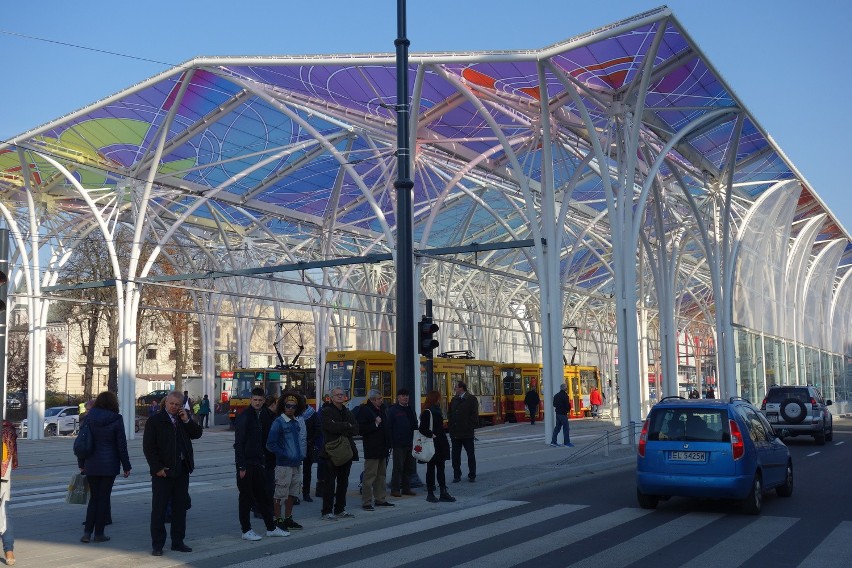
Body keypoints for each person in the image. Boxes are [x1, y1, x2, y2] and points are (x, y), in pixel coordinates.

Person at [143, 390, 203, 556]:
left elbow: (197, 434)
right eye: (172, 404)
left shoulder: (183, 420)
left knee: (180, 508)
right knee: (159, 509)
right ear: (166, 402)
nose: (174, 407)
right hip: (163, 472)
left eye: (177, 405)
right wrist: (157, 468)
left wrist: (187, 420)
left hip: (182, 470)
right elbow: (149, 447)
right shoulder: (155, 421)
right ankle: (158, 544)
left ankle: (178, 541)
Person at [234, 388, 290, 541]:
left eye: (260, 400)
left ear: (264, 400)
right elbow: (238, 443)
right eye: (255, 400)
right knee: (246, 497)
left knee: (263, 496)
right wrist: (241, 466)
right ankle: (246, 530)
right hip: (247, 463)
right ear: (250, 400)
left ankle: (271, 527)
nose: (257, 403)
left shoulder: (264, 415)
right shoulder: (245, 416)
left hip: (259, 462)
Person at [77, 391, 132, 544]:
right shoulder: (116, 418)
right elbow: (121, 444)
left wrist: (81, 464)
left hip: (91, 463)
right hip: (109, 464)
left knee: (94, 498)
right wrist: (126, 465)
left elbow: (83, 442)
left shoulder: (89, 418)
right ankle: (99, 533)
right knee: (103, 498)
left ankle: (87, 532)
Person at [266, 392, 306, 531]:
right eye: (288, 405)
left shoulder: (295, 421)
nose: (290, 408)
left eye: (293, 406)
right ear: (283, 406)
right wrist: (285, 454)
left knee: (293, 492)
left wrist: (300, 455)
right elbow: (270, 444)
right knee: (280, 492)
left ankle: (288, 518)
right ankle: (278, 519)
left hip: (296, 463)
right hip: (284, 464)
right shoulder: (278, 422)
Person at [319, 387, 358, 521]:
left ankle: (340, 509)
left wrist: (342, 426)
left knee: (343, 482)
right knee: (330, 482)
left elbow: (355, 429)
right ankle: (327, 511)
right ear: (331, 397)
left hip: (346, 452)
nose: (340, 396)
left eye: (342, 394)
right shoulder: (327, 411)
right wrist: (346, 425)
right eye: (337, 395)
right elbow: (329, 427)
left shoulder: (347, 411)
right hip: (332, 452)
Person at [358, 390, 394, 511]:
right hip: (372, 447)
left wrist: (389, 443)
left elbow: (387, 427)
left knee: (381, 476)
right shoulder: (365, 410)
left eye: (381, 398)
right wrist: (375, 424)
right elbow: (361, 429)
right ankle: (367, 501)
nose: (381, 400)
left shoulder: (383, 409)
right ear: (372, 400)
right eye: (378, 399)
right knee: (370, 476)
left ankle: (380, 499)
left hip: (383, 447)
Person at [419, 390, 455, 503]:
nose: (440, 400)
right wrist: (431, 435)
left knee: (440, 468)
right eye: (439, 398)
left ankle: (442, 491)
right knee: (431, 468)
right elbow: (422, 428)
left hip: (439, 443)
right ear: (435, 399)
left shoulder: (434, 410)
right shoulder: (428, 411)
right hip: (434, 443)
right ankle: (431, 493)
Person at [386, 388, 417, 497]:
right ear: (398, 398)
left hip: (410, 442)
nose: (405, 398)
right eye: (403, 396)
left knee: (409, 467)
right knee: (398, 467)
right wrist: (391, 442)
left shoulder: (410, 409)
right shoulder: (393, 410)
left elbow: (415, 424)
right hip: (398, 443)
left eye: (407, 396)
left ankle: (406, 488)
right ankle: (395, 489)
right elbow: (389, 427)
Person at [448, 381, 478, 483]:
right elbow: (450, 414)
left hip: (467, 433)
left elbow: (474, 415)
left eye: (456, 387)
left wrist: (470, 426)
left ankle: (472, 474)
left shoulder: (471, 399)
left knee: (470, 455)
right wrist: (451, 427)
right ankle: (457, 475)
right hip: (455, 433)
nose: (455, 389)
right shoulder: (454, 399)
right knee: (455, 456)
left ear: (462, 388)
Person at [1, 420, 19, 566]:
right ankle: (9, 552)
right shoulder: (8, 430)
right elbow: (10, 456)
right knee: (5, 513)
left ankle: (9, 550)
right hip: (3, 478)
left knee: (5, 513)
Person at [298, 393, 317, 503]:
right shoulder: (294, 413)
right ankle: (294, 494)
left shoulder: (312, 414)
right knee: (295, 472)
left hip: (308, 446)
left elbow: (317, 428)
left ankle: (306, 493)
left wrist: (310, 441)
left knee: (307, 471)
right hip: (296, 446)